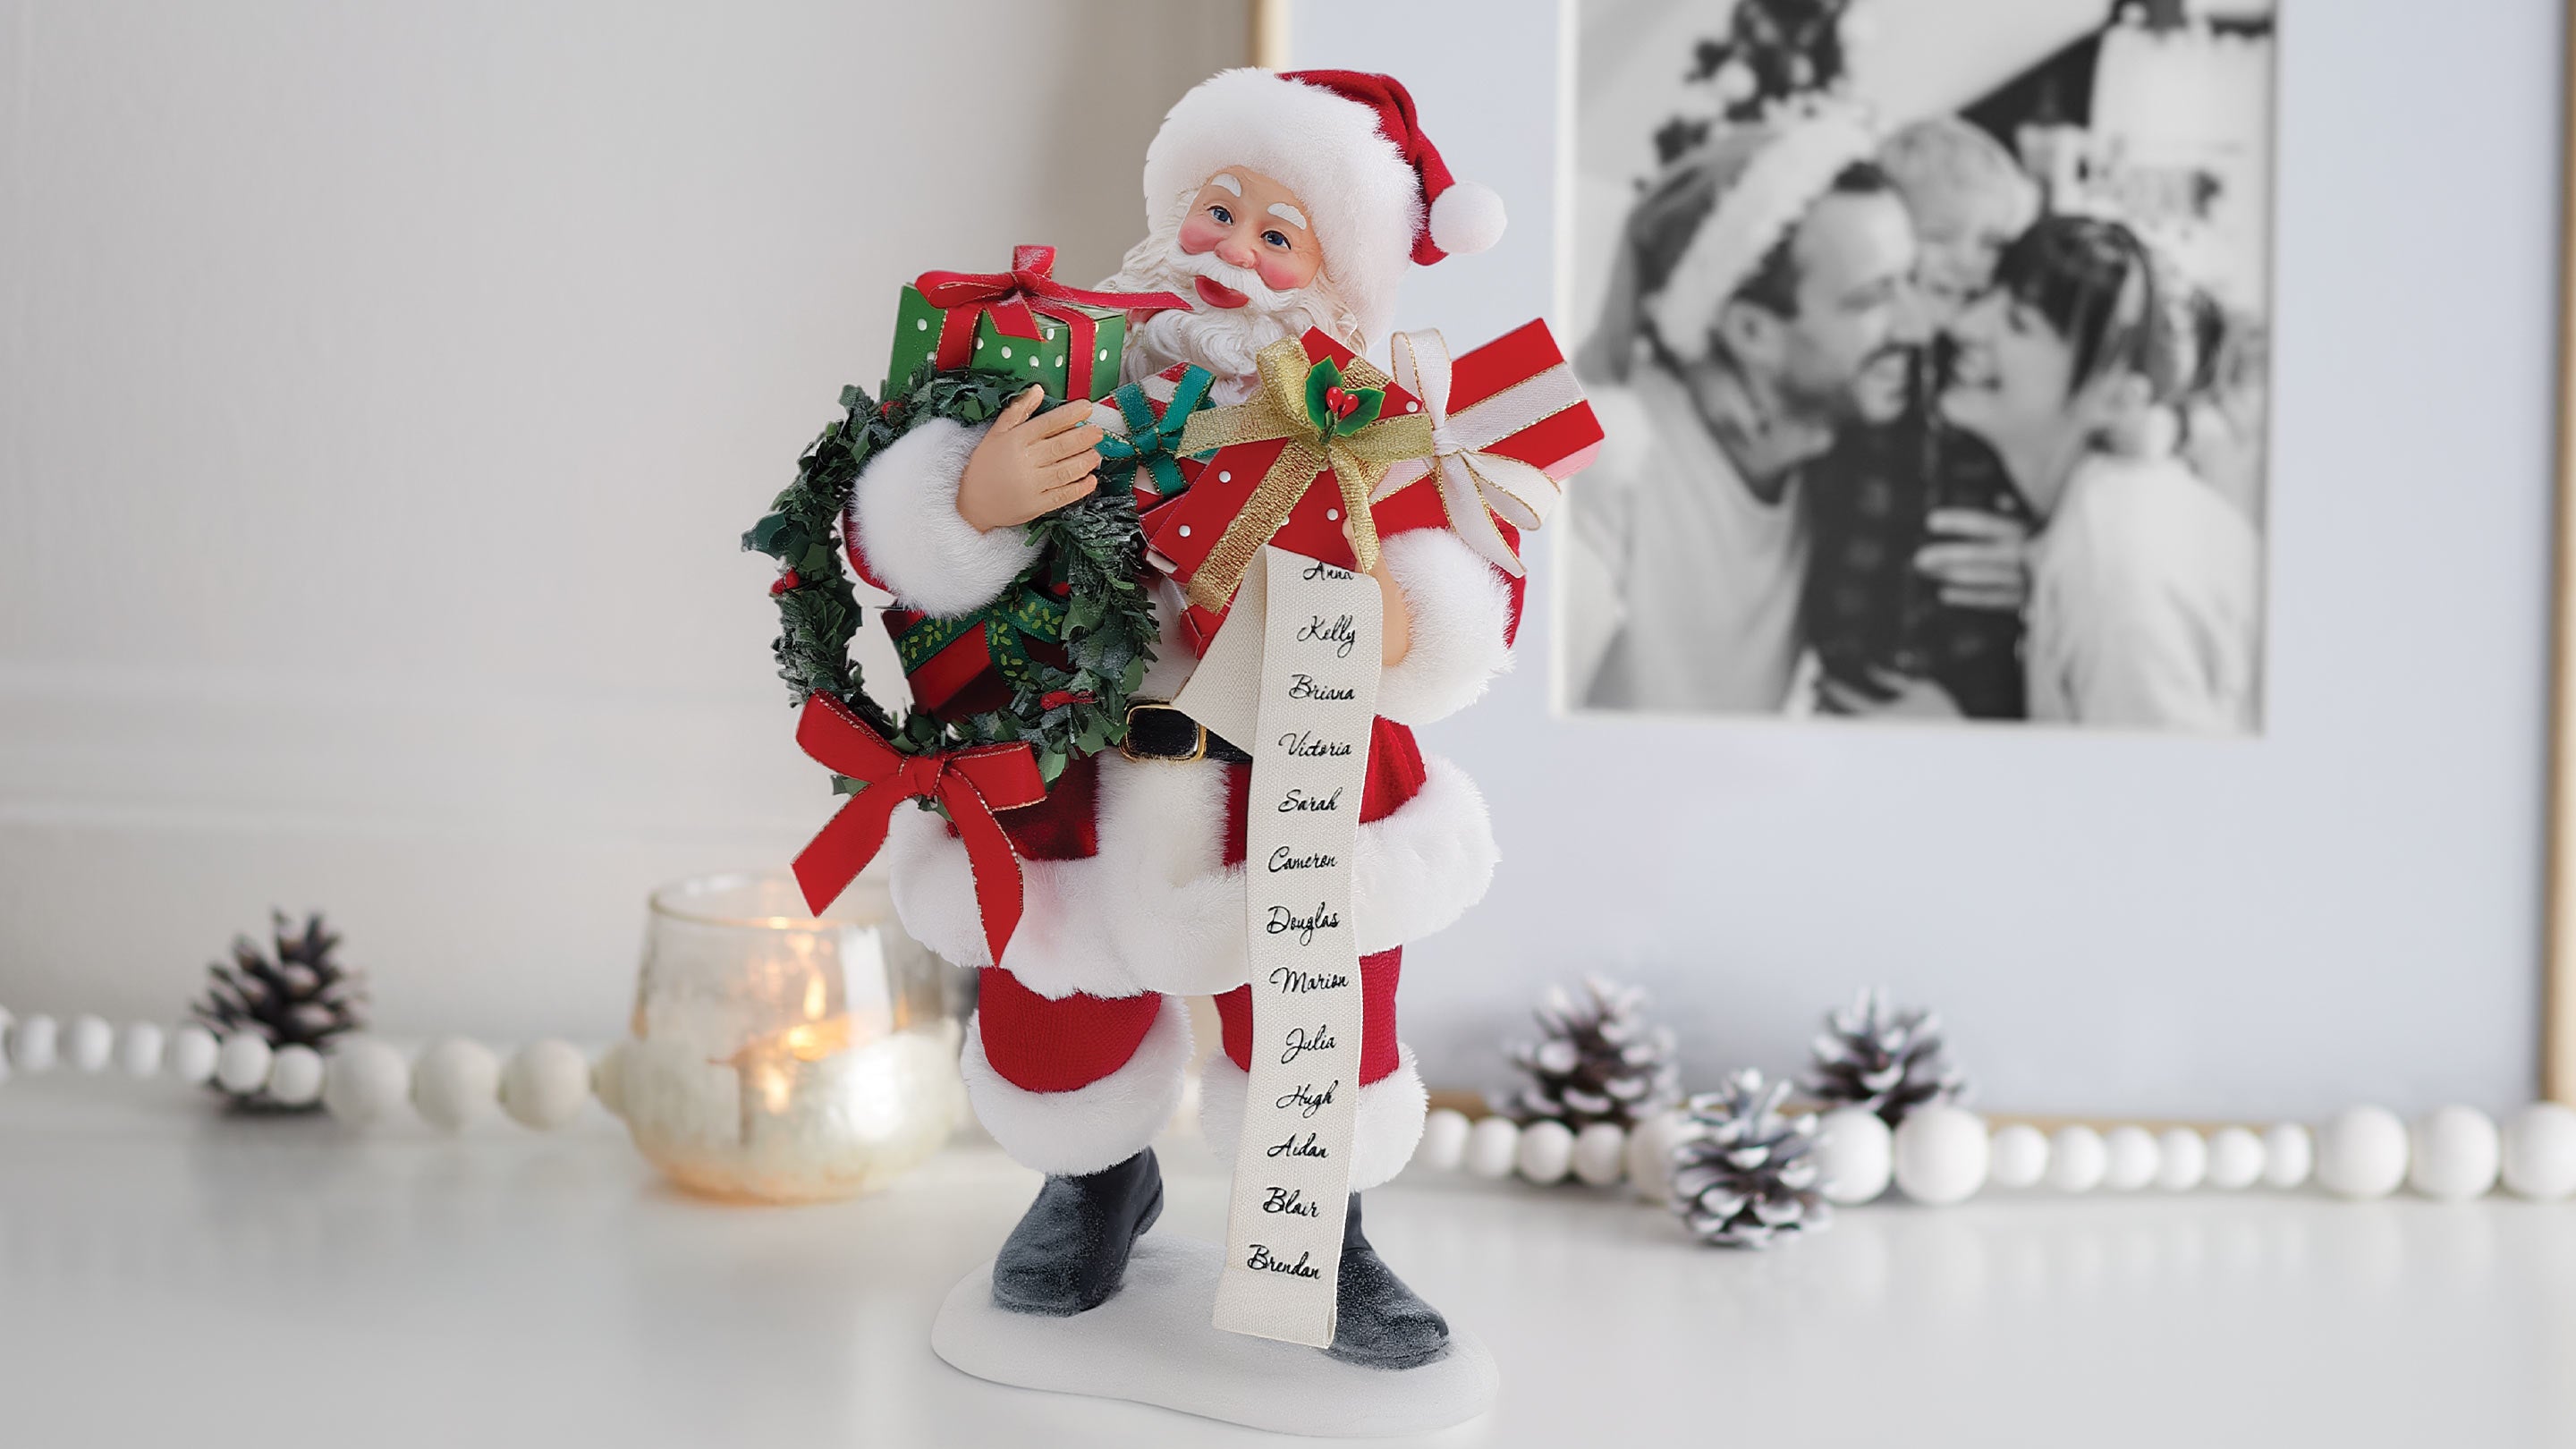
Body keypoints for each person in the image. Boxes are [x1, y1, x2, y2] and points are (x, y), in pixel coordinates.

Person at [840, 68, 1518, 1368]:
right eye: (1220, 210)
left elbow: (1451, 598)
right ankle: (1091, 1177)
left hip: (1295, 778)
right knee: (1056, 995)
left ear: (1336, 275)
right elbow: (902, 539)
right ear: (1172, 209)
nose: (1237, 256)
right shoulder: (1066, 355)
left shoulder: (1368, 416)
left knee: (1318, 1006)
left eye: (1281, 234)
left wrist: (1398, 622)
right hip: (1076, 759)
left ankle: (1319, 1227)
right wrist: (970, 497)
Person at [1563, 109, 2024, 715]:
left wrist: (2027, 562)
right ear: (1751, 331)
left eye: (1912, 278)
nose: (1917, 327)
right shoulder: (1596, 451)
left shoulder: (1826, 448)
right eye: (1872, 297)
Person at [1849, 215, 2260, 731]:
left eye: (2018, 323)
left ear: (2114, 399)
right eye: (1984, 297)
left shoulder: (2114, 570)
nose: (1965, 325)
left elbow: (2163, 802)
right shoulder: (2096, 521)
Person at [1803, 116, 2042, 721]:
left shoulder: (1982, 361)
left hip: (1976, 677)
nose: (1969, 264)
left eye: (1991, 244)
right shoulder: (1848, 362)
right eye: (1939, 235)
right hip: (1856, 674)